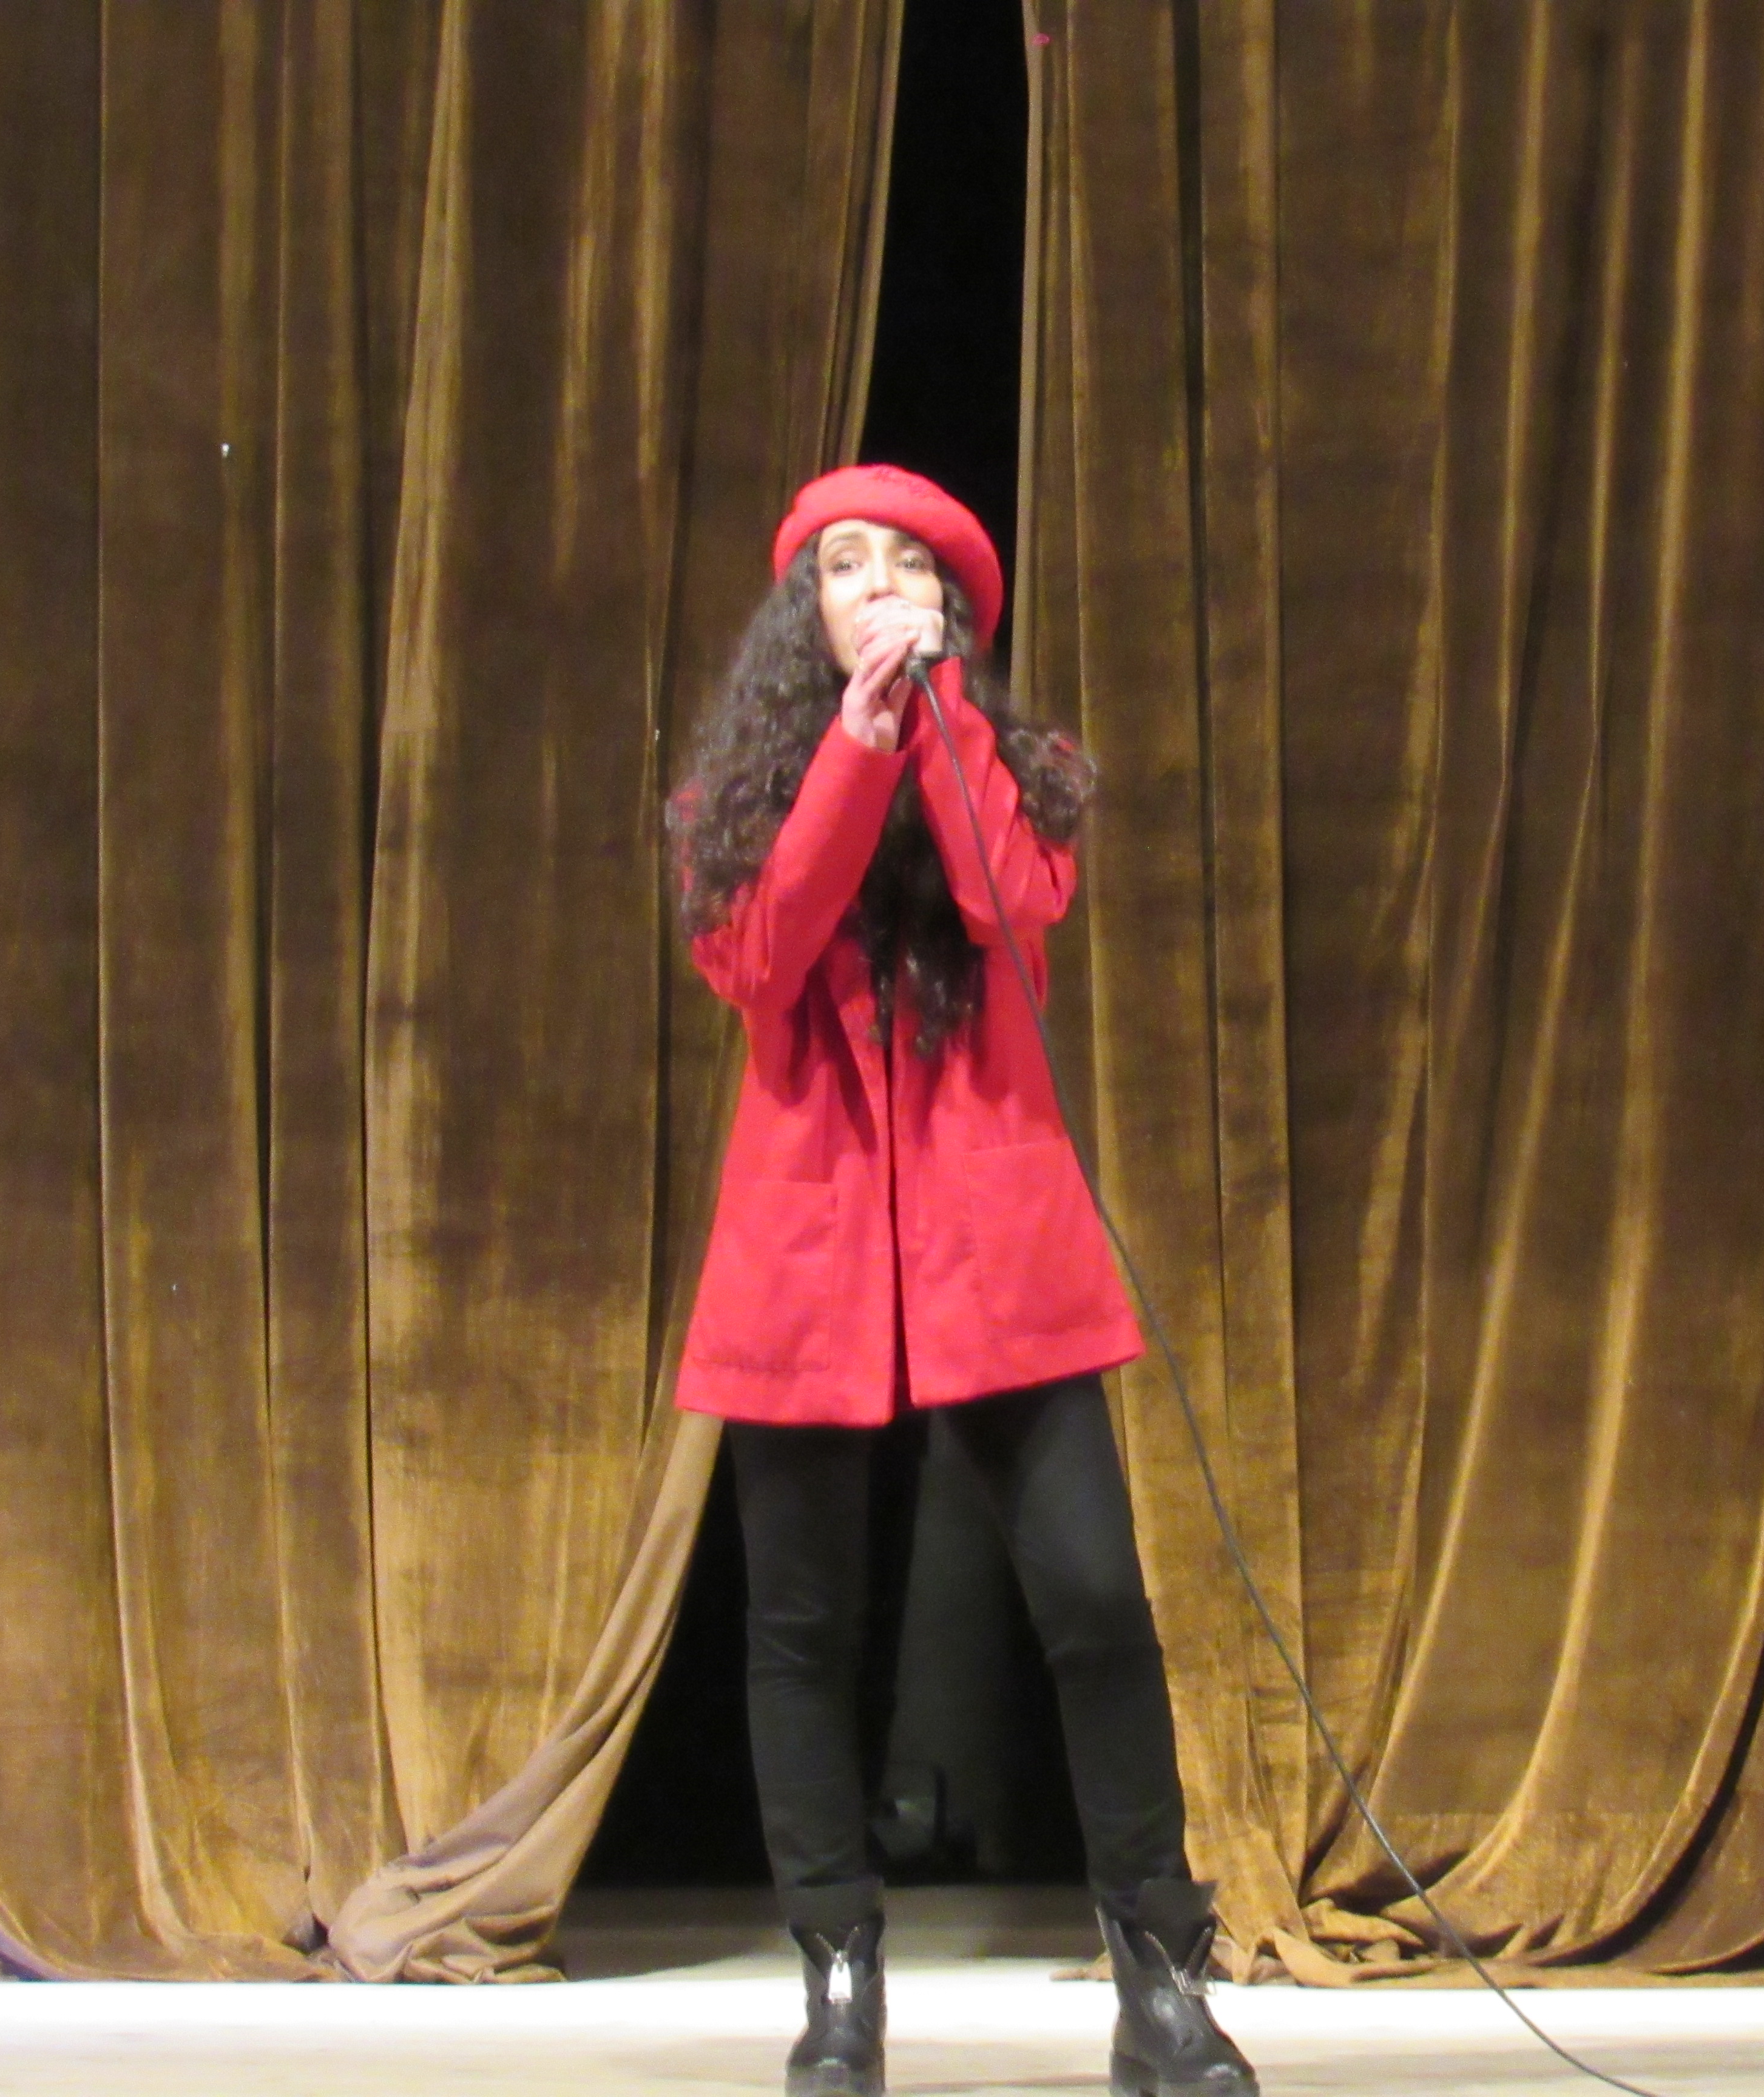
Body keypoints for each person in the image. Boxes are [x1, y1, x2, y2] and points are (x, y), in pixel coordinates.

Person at [667, 464, 1257, 2097]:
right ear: (805, 614)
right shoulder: (731, 803)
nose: (874, 586)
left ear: (950, 609)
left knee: (1096, 1600)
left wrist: (931, 732)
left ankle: (1161, 1984)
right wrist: (854, 750)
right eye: (843, 567)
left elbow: (1012, 903)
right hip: (807, 1245)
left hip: (997, 1240)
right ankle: (839, 1984)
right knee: (801, 1628)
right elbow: (764, 954)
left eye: (904, 567)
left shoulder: (1016, 770)